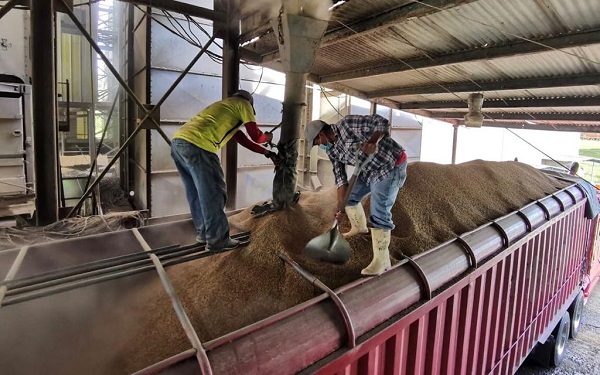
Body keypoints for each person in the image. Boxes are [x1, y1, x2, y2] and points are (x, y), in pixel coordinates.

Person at [171, 90, 280, 251]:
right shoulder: (244, 104)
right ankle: (217, 240)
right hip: (200, 145)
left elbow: (243, 140)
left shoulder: (225, 108)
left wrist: (267, 152)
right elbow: (256, 136)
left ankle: (204, 234)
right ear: (250, 103)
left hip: (179, 144)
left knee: (195, 193)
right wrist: (267, 139)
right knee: (214, 192)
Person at [305, 114, 407, 275]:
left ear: (321, 135)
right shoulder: (332, 150)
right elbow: (340, 178)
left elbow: (382, 122)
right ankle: (359, 227)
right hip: (368, 169)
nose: (319, 146)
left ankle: (383, 261)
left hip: (390, 165)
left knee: (379, 211)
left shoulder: (348, 124)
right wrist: (340, 207)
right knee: (350, 197)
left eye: (317, 143)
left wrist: (373, 140)